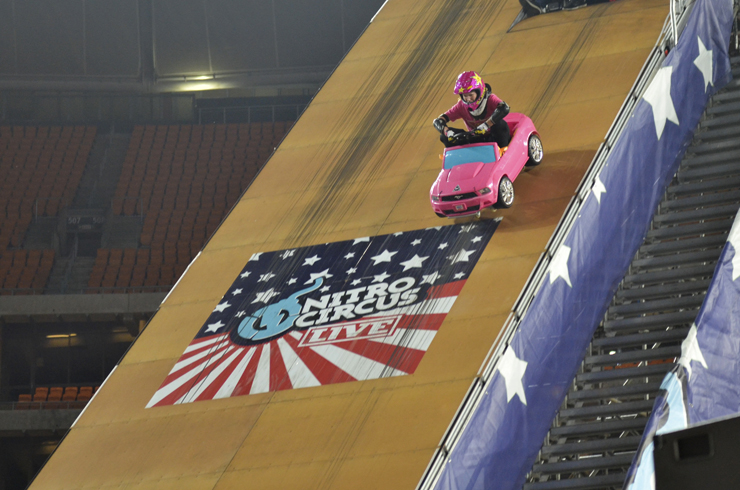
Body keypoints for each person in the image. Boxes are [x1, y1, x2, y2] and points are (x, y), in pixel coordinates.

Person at [433, 71, 511, 149]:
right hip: (476, 139)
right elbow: (439, 121)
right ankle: (462, 154)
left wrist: (486, 125)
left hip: (494, 137)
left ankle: (503, 150)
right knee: (444, 137)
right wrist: (447, 132)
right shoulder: (461, 106)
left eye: (470, 95)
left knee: (500, 124)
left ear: (479, 92)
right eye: (465, 96)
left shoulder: (490, 99)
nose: (468, 99)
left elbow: (504, 108)